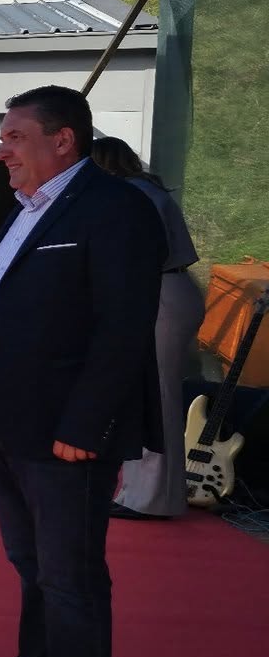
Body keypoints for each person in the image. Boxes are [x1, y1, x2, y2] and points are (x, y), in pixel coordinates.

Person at [0, 86, 163, 657]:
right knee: (33, 568)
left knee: (71, 581)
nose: (0, 150)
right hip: (7, 423)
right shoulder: (28, 209)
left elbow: (123, 328)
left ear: (63, 139)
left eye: (14, 136)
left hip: (65, 435)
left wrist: (87, 424)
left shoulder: (116, 208)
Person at [90, 137, 202, 520]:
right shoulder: (146, 190)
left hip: (159, 292)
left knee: (156, 397)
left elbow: (135, 255)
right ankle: (153, 494)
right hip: (170, 289)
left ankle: (150, 496)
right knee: (155, 396)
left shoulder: (134, 196)